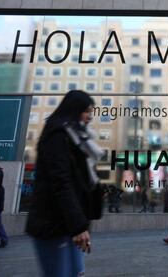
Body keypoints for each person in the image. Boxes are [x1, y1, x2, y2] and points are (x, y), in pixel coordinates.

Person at [26, 90, 101, 277]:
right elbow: (62, 183)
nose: (89, 117)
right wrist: (78, 226)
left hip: (71, 224)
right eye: (87, 112)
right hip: (54, 224)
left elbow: (81, 182)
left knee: (76, 273)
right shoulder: (57, 135)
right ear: (74, 110)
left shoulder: (76, 138)